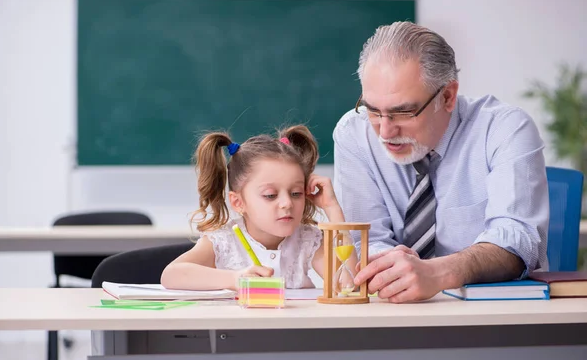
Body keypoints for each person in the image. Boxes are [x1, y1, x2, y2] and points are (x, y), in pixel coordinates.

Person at [333, 21, 549, 303]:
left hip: (491, 317)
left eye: (404, 112)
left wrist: (439, 272)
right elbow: (365, 240)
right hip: (392, 313)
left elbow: (519, 239)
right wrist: (392, 265)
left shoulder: (504, 128)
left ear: (447, 96)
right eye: (373, 111)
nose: (384, 131)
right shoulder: (354, 133)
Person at [161, 125, 353, 291]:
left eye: (296, 193)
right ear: (238, 203)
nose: (287, 203)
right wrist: (235, 279)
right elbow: (171, 275)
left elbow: (349, 283)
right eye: (270, 195)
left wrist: (332, 207)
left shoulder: (307, 239)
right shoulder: (225, 240)